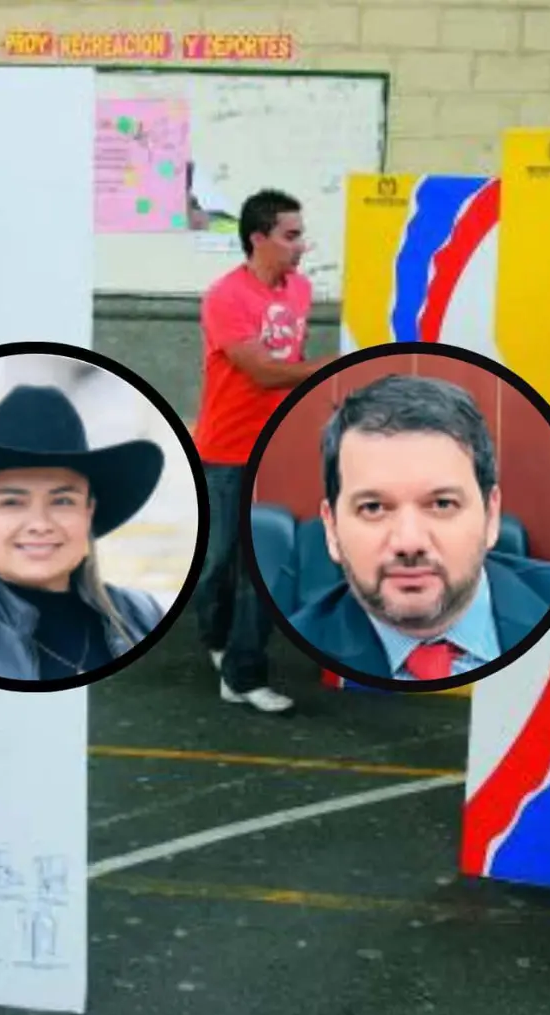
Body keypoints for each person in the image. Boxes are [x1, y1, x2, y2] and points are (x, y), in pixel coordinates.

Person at [288, 374, 550, 682]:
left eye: (442, 504)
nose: (409, 542)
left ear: (491, 516)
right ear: (331, 528)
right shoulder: (295, 653)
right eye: (373, 508)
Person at [0, 383, 167, 682]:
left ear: (88, 512)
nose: (40, 523)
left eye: (63, 501)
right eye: (12, 502)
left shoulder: (143, 617)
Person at [192, 188, 330, 713]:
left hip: (277, 449)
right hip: (226, 449)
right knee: (218, 561)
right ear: (258, 239)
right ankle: (217, 639)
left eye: (300, 235)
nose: (301, 246)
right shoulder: (226, 296)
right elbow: (264, 371)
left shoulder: (300, 290)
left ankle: (244, 674)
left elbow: (291, 361)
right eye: (291, 236)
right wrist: (332, 367)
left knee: (265, 564)